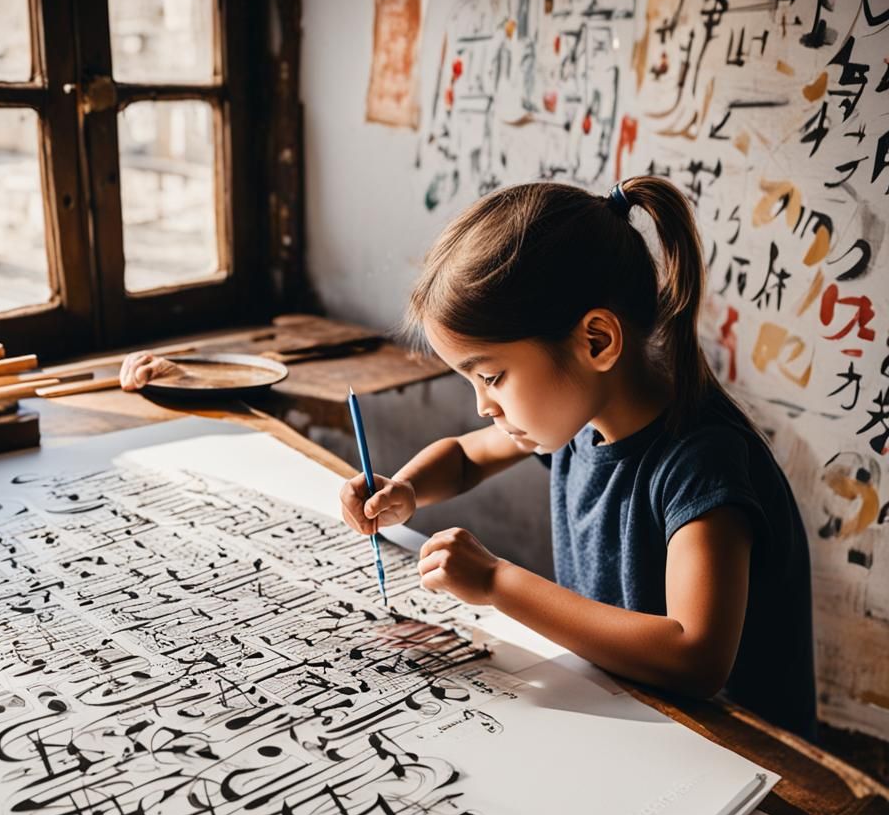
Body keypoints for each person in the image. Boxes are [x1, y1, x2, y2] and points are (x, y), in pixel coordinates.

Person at [340, 177, 817, 739]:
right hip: (632, 716)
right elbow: (468, 458)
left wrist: (497, 581)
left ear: (596, 342)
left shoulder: (701, 463)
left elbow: (695, 657)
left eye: (491, 376)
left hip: (746, 760)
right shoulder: (581, 416)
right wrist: (406, 489)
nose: (481, 406)